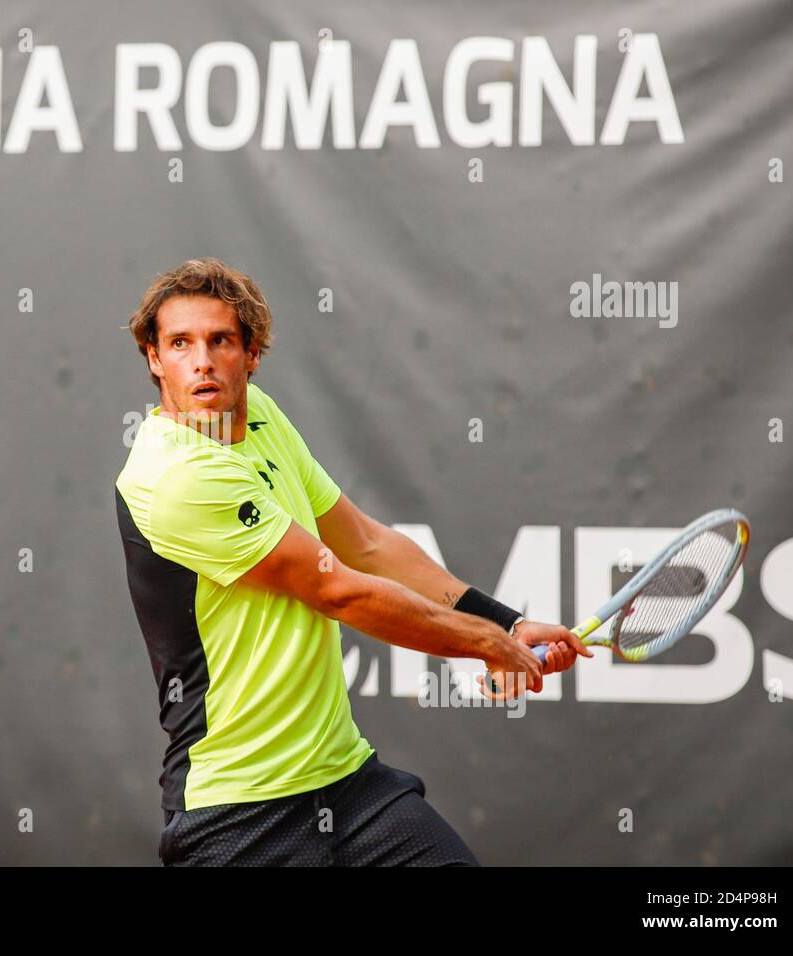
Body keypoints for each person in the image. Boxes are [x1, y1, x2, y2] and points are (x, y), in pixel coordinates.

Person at [114, 257, 590, 866]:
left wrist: (508, 625)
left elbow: (364, 542)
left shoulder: (259, 415)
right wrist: (486, 646)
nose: (201, 361)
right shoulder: (175, 479)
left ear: (252, 352)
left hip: (346, 784)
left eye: (220, 341)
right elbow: (340, 591)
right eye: (179, 344)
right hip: (237, 813)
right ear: (154, 358)